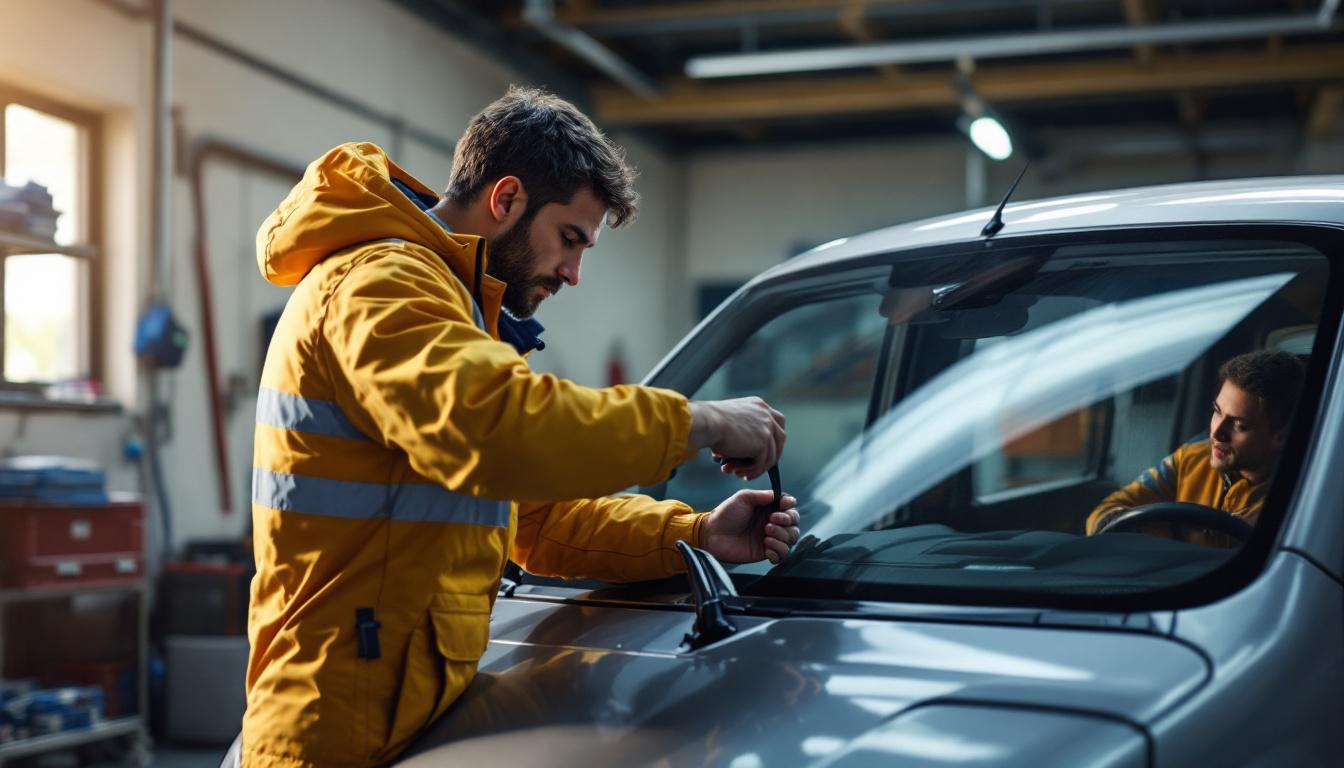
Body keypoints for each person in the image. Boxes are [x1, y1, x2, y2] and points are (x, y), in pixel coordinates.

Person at [242, 87, 800, 768]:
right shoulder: (382, 283)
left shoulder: (449, 305)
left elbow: (534, 522)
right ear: (505, 200)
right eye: (570, 240)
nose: (573, 272)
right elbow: (497, 432)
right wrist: (704, 421)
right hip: (335, 736)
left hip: (402, 711)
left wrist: (696, 533)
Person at [1086, 349, 1305, 542]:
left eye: (1239, 425)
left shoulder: (1301, 500)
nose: (1217, 433)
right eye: (1217, 411)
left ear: (1281, 436)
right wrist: (1163, 537)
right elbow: (1104, 513)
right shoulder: (1189, 459)